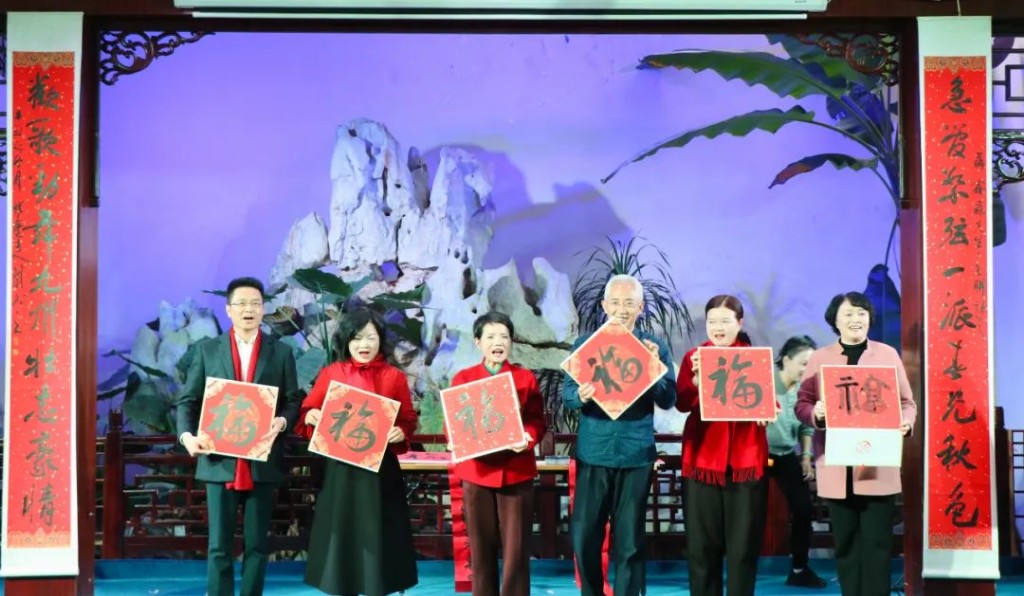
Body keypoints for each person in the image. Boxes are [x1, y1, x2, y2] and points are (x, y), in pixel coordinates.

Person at [176, 276, 302, 596]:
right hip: (218, 460)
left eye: (255, 304)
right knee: (219, 545)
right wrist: (187, 437)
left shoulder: (281, 352)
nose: (249, 309)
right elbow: (188, 401)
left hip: (262, 459)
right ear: (228, 309)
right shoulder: (207, 350)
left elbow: (292, 401)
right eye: (242, 304)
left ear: (263, 309)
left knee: (257, 544)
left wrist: (282, 422)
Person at [562, 274, 677, 596]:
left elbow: (669, 399)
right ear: (604, 306)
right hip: (594, 452)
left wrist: (650, 366)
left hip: (636, 453)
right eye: (615, 302)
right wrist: (580, 395)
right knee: (585, 535)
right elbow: (567, 395)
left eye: (629, 303)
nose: (622, 309)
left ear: (640, 307)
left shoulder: (654, 347)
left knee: (630, 541)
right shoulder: (585, 345)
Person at [795, 291, 916, 596]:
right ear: (834, 320)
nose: (855, 319)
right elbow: (802, 404)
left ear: (870, 319)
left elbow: (907, 403)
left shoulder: (887, 354)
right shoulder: (820, 358)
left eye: (861, 313)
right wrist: (816, 413)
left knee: (878, 544)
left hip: (878, 463)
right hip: (837, 466)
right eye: (848, 314)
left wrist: (906, 422)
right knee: (846, 544)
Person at [295, 308, 419, 596]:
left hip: (380, 472)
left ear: (380, 341)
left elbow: (408, 418)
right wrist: (311, 415)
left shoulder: (394, 377)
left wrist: (401, 430)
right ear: (347, 341)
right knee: (342, 531)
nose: (364, 344)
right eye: (357, 338)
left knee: (378, 532)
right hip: (340, 471)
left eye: (371, 338)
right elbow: (308, 409)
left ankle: (377, 586)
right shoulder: (332, 373)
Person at [675, 294, 773, 596]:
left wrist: (769, 411)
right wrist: (695, 381)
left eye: (725, 321)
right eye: (712, 321)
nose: (718, 328)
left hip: (746, 462)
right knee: (702, 548)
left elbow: (767, 402)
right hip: (702, 460)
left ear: (739, 323)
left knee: (743, 548)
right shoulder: (694, 357)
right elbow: (682, 403)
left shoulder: (754, 359)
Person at [446, 311, 547, 596]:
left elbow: (537, 420)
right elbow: (453, 421)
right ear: (478, 342)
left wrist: (528, 437)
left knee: (516, 550)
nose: (498, 342)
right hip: (477, 473)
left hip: (515, 472)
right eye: (490, 337)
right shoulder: (463, 378)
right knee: (481, 550)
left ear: (511, 341)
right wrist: (454, 439)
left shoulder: (524, 378)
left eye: (504, 336)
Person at [766, 335, 828, 588]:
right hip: (757, 455)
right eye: (804, 363)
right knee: (748, 514)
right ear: (786, 360)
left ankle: (799, 569)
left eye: (810, 365)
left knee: (803, 508)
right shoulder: (765, 381)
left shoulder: (805, 389)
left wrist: (805, 456)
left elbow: (806, 426)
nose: (807, 370)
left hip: (785, 456)